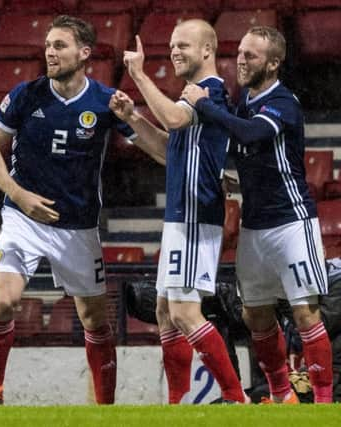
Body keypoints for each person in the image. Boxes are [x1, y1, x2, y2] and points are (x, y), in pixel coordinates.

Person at [0, 15, 165, 406]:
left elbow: (161, 150)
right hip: (22, 218)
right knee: (5, 301)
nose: (50, 51)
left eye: (59, 45)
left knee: (95, 320)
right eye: (47, 44)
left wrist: (132, 115)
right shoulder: (26, 95)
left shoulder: (104, 101)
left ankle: (105, 408)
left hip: (77, 226)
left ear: (84, 52)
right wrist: (19, 195)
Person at [182, 26, 332, 403]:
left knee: (306, 313)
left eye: (251, 55)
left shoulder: (283, 101)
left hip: (291, 222)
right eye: (240, 53)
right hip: (255, 226)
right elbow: (250, 149)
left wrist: (204, 104)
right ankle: (282, 395)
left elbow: (250, 135)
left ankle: (326, 402)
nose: (241, 61)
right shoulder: (243, 102)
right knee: (255, 315)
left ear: (274, 62)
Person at [114, 20, 247, 403]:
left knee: (186, 312)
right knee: (163, 310)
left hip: (194, 213)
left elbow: (172, 118)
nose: (173, 51)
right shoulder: (193, 97)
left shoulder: (210, 91)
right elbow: (168, 151)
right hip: (180, 216)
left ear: (207, 50)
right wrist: (132, 120)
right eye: (171, 45)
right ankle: (177, 403)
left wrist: (137, 74)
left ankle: (237, 398)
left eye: (183, 45)